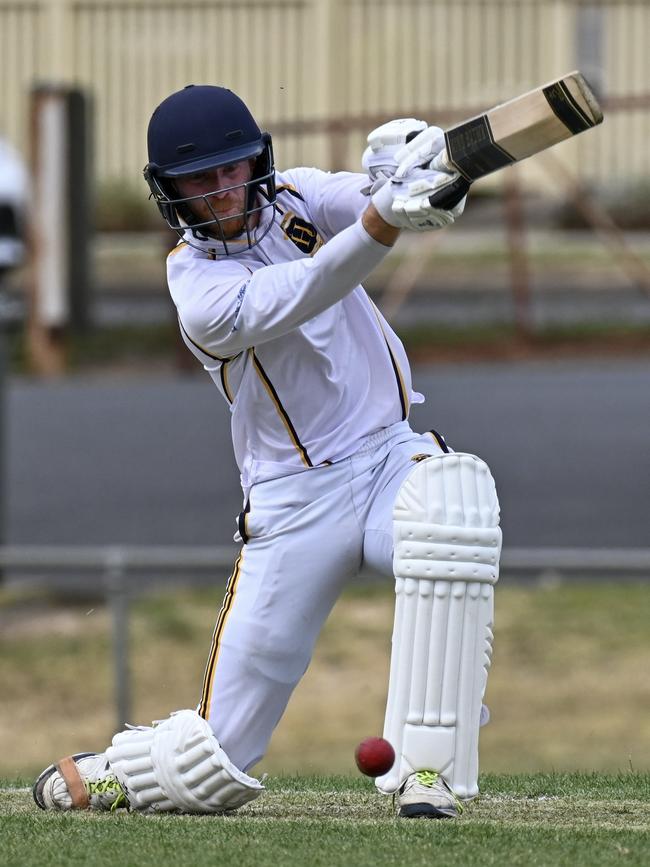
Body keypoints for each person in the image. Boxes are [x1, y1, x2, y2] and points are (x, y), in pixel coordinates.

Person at [33, 85, 501, 820]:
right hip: (293, 504)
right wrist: (386, 216)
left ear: (259, 156)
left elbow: (374, 200)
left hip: (387, 459)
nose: (224, 189)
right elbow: (309, 287)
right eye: (201, 179)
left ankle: (428, 768)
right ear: (171, 193)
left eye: (234, 167)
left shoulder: (299, 196)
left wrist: (424, 172)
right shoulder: (196, 287)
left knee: (452, 511)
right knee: (215, 768)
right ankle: (125, 767)